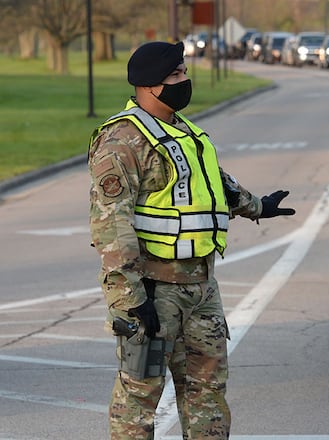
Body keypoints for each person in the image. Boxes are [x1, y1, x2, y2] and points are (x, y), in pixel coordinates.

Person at [88, 41, 295, 439]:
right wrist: (132, 301)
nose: (186, 81)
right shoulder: (121, 142)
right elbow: (111, 228)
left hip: (201, 287)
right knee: (139, 399)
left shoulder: (182, 130)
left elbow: (213, 185)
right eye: (177, 75)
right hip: (152, 291)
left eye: (185, 72)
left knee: (208, 394)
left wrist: (258, 207)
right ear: (149, 86)